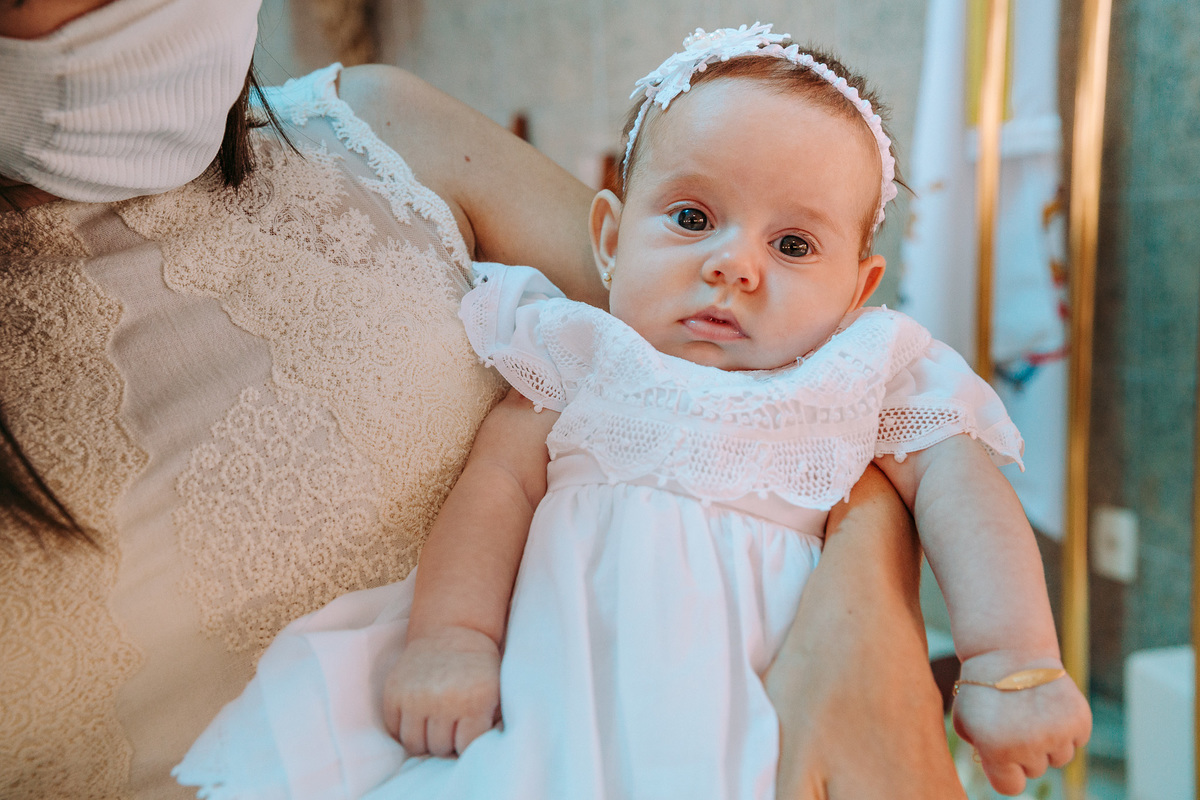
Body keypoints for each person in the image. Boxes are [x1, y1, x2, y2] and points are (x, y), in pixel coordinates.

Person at [0, 2, 962, 798]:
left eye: (794, 245)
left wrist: (880, 616)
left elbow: (800, 403)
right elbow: (516, 470)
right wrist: (453, 637)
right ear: (612, 228)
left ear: (861, 280)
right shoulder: (571, 351)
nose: (735, 264)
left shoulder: (381, 130)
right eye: (696, 216)